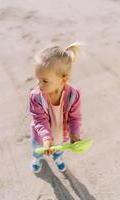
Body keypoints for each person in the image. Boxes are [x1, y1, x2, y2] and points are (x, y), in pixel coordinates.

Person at [29, 42, 82, 173]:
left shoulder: (73, 95)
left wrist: (74, 135)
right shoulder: (36, 97)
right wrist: (46, 139)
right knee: (37, 149)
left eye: (45, 81)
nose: (40, 84)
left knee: (58, 150)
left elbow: (75, 117)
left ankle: (57, 158)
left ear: (63, 80)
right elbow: (39, 120)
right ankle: (37, 159)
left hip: (60, 135)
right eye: (38, 79)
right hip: (41, 135)